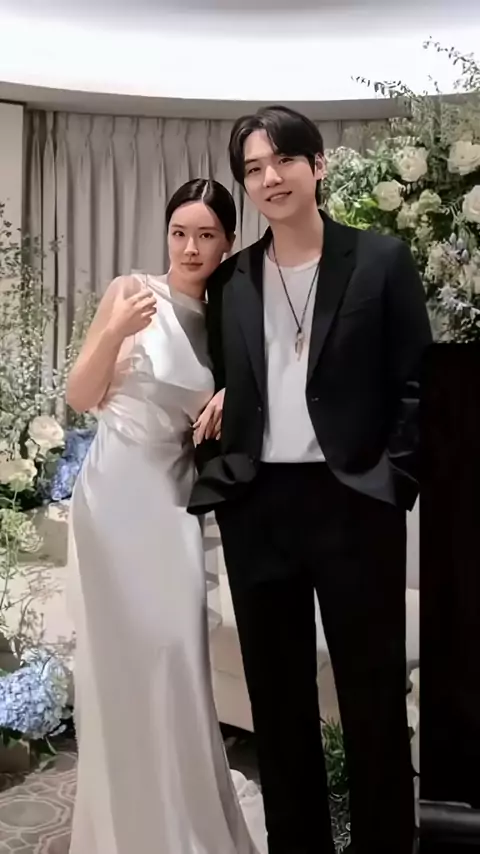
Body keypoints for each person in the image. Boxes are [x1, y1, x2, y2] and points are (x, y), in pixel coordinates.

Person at [189, 106, 433, 854]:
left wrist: (392, 481)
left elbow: (417, 385)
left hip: (353, 500)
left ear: (317, 165)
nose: (269, 178)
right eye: (252, 169)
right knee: (279, 700)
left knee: (372, 693)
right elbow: (220, 380)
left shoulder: (380, 261)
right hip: (258, 504)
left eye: (283, 161)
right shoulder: (230, 280)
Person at [66, 178, 265, 854]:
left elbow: (259, 387)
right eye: (179, 233)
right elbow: (81, 395)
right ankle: (127, 828)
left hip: (175, 498)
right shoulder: (131, 292)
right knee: (119, 663)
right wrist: (115, 331)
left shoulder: (232, 314)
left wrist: (233, 392)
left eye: (206, 235)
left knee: (177, 654)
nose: (190, 247)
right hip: (114, 494)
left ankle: (185, 820)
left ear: (228, 242)